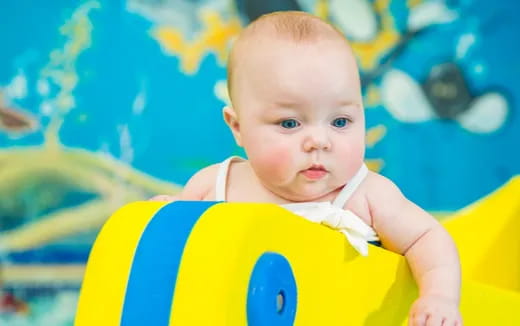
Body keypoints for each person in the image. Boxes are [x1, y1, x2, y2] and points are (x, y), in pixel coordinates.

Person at [151, 11, 462, 326]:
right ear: (238, 126)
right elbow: (175, 251)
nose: (319, 141)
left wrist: (438, 297)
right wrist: (160, 218)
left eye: (340, 121)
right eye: (290, 123)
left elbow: (427, 238)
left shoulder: (366, 196)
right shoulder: (214, 186)